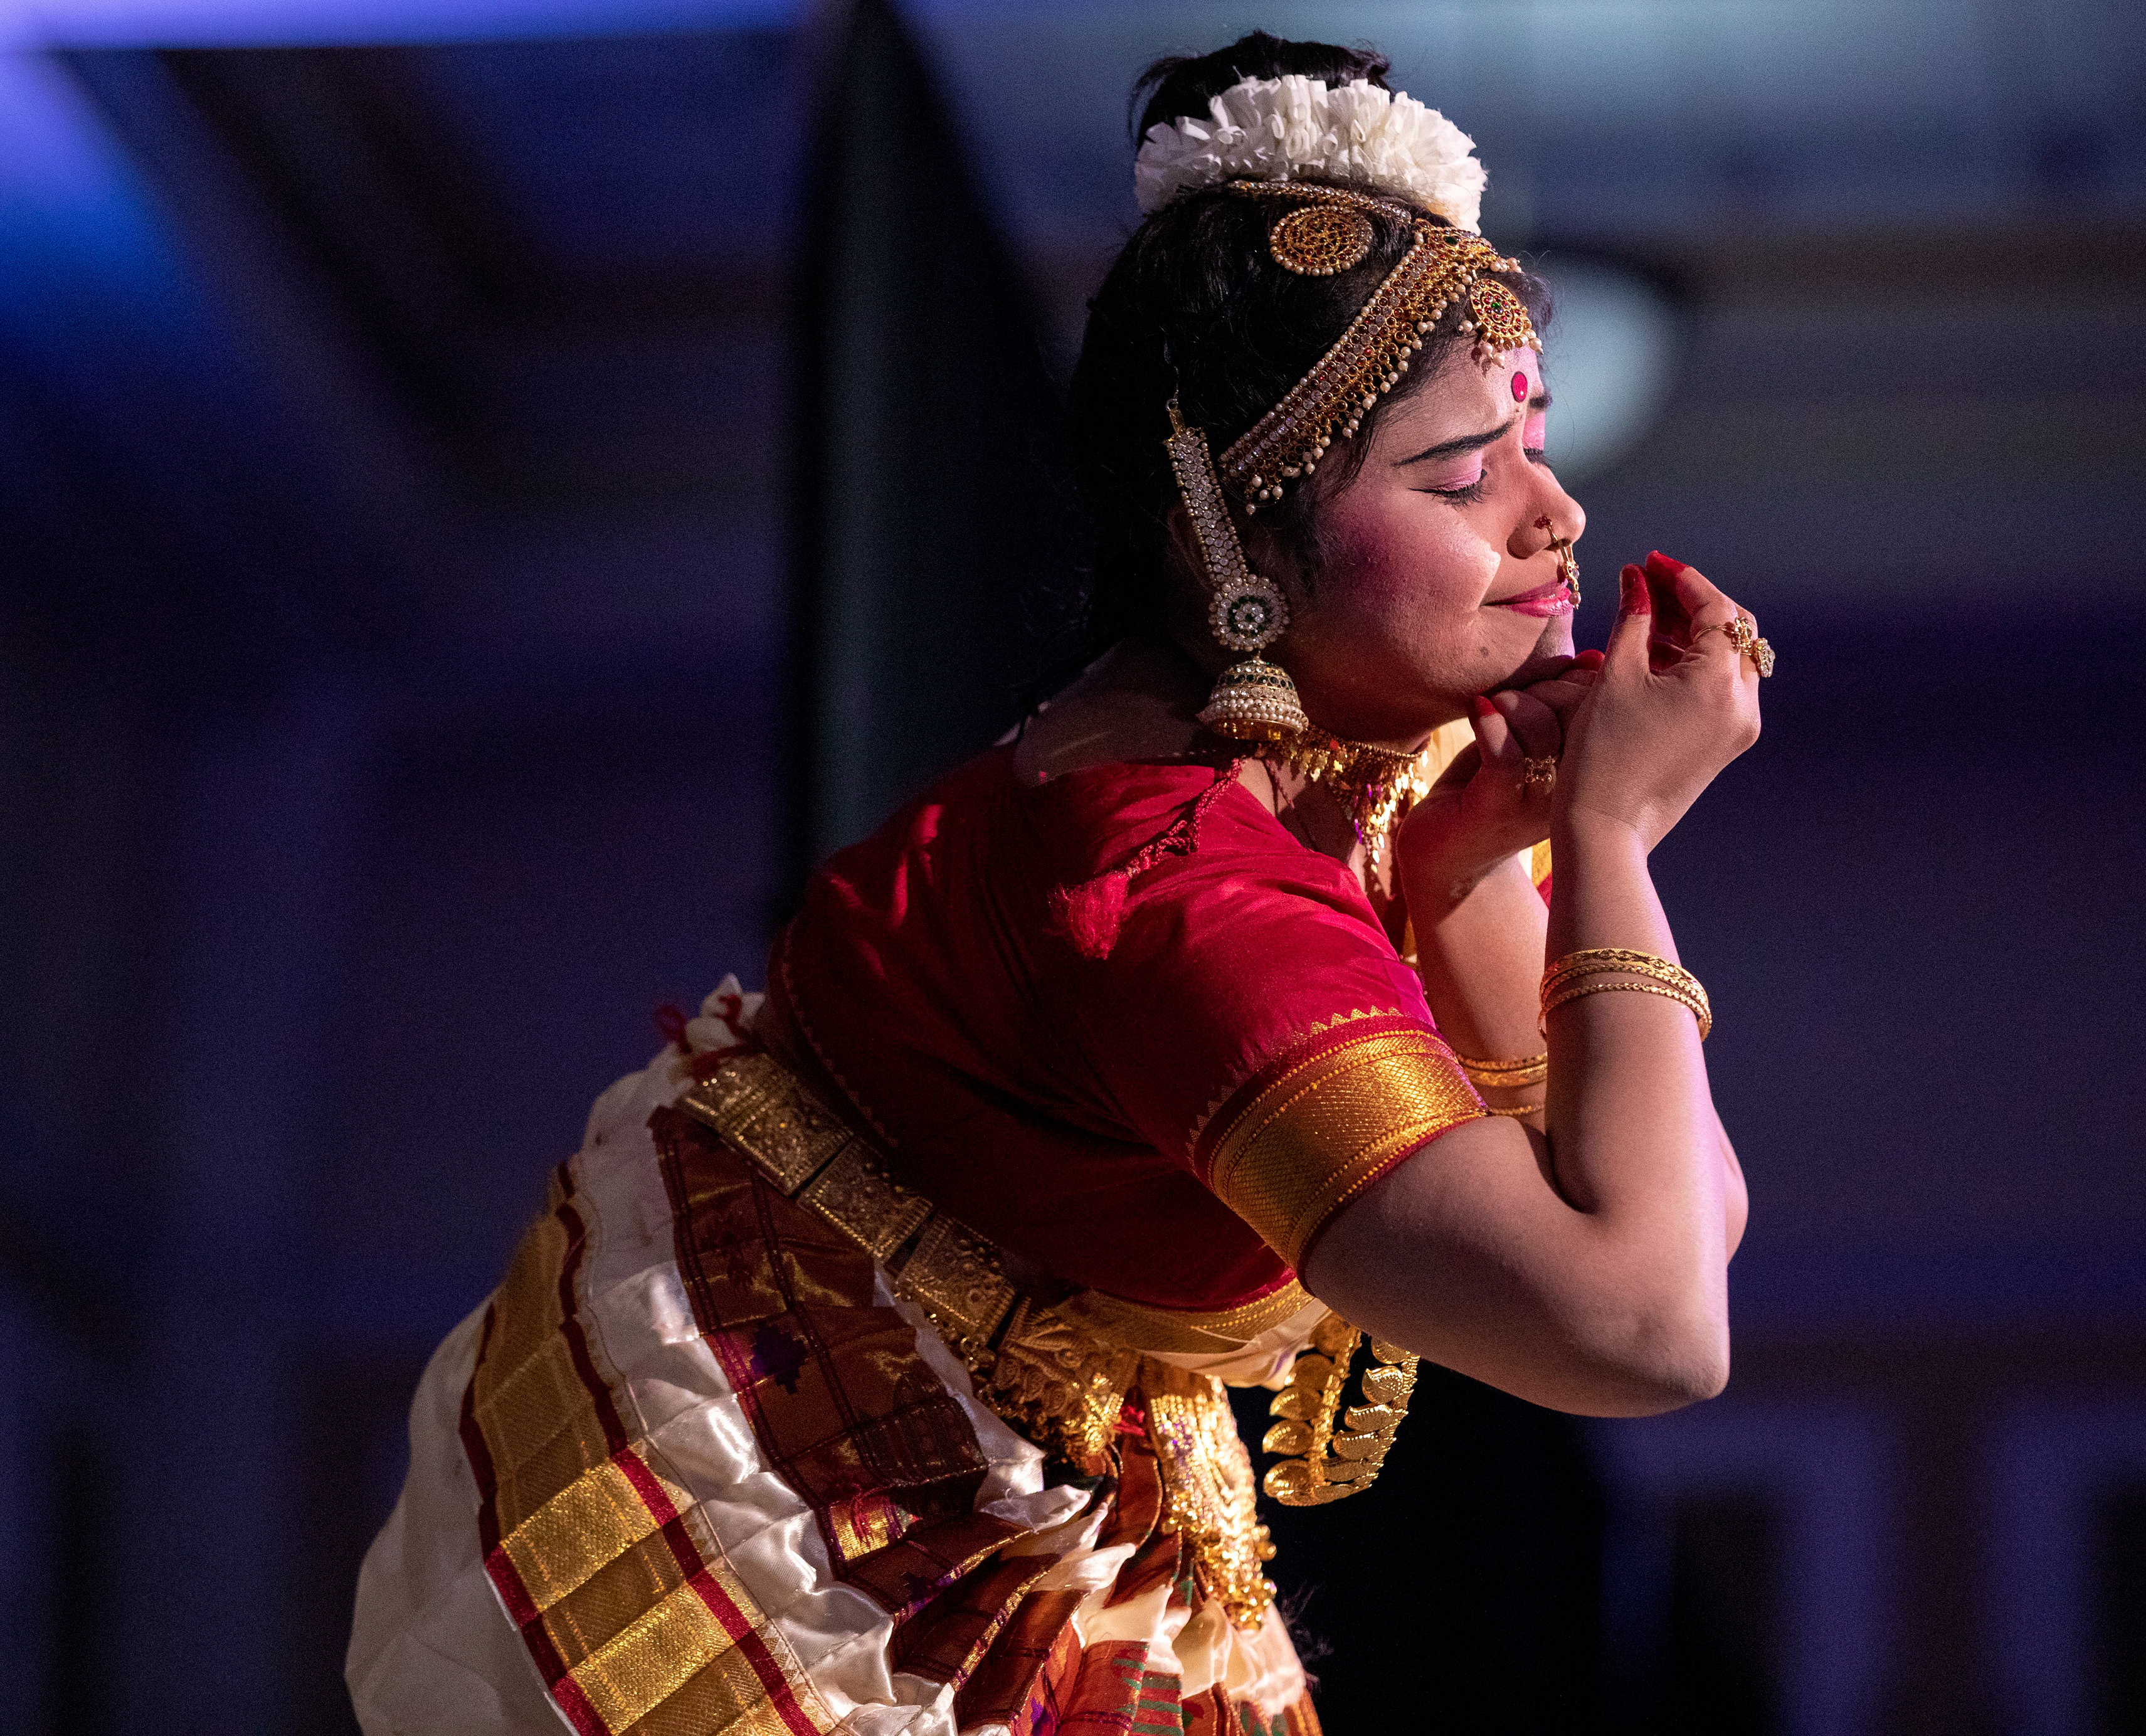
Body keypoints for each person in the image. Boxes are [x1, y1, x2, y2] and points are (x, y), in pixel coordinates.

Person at [349, 31, 1762, 1736]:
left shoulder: (1313, 794)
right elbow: (1645, 1327)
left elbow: (1684, 1231)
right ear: (1222, 538)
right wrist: (1604, 841)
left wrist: (1478, 876)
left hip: (1029, 1490)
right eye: (1463, 472)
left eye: (1532, 442)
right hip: (848, 1527)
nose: (1556, 513)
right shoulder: (1170, 891)